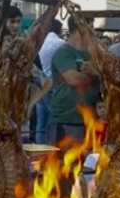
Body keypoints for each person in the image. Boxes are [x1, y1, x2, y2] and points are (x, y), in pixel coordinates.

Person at [47, 15, 101, 144]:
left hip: (90, 119)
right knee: (63, 161)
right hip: (66, 119)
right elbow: (74, 80)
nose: (93, 33)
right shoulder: (63, 53)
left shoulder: (93, 54)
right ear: (80, 30)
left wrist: (95, 73)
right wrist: (96, 74)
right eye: (91, 28)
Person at [33, 19, 64, 144]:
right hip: (52, 84)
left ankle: (39, 147)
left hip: (39, 82)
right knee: (51, 119)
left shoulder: (40, 42)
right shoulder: (60, 43)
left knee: (41, 121)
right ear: (59, 29)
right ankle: (50, 148)